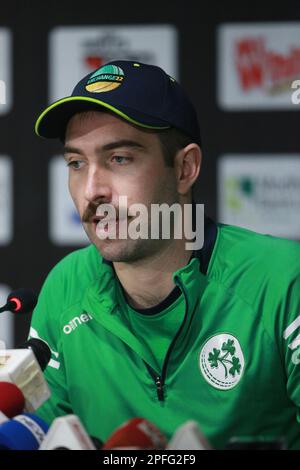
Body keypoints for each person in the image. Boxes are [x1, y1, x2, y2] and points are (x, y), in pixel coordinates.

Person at [30, 60, 300, 449]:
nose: (91, 191)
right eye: (76, 163)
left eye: (119, 158)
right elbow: (43, 437)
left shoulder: (282, 283)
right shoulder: (65, 288)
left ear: (185, 168)